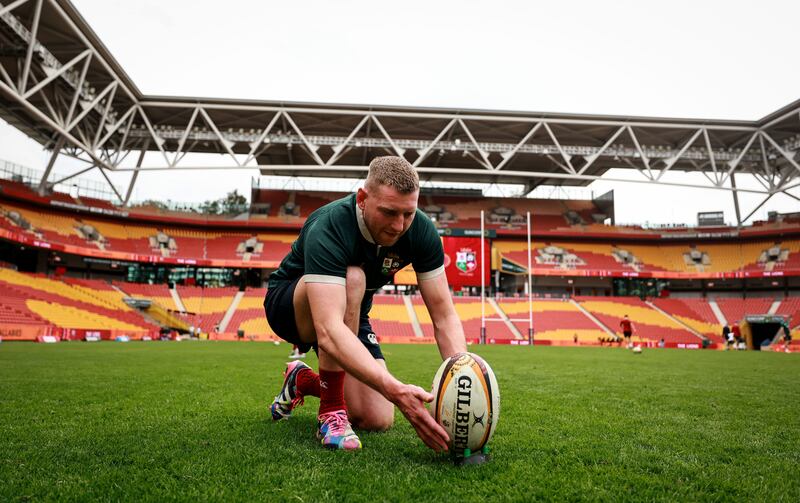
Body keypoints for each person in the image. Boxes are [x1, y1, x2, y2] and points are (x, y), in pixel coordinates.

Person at [263, 156, 466, 452]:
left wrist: (463, 378)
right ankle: (331, 411)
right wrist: (395, 389)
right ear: (362, 198)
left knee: (376, 417)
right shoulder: (330, 223)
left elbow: (445, 317)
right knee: (354, 277)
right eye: (389, 212)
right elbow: (329, 329)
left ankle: (302, 379)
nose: (399, 225)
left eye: (408, 213)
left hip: (349, 311)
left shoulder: (421, 231)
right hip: (292, 308)